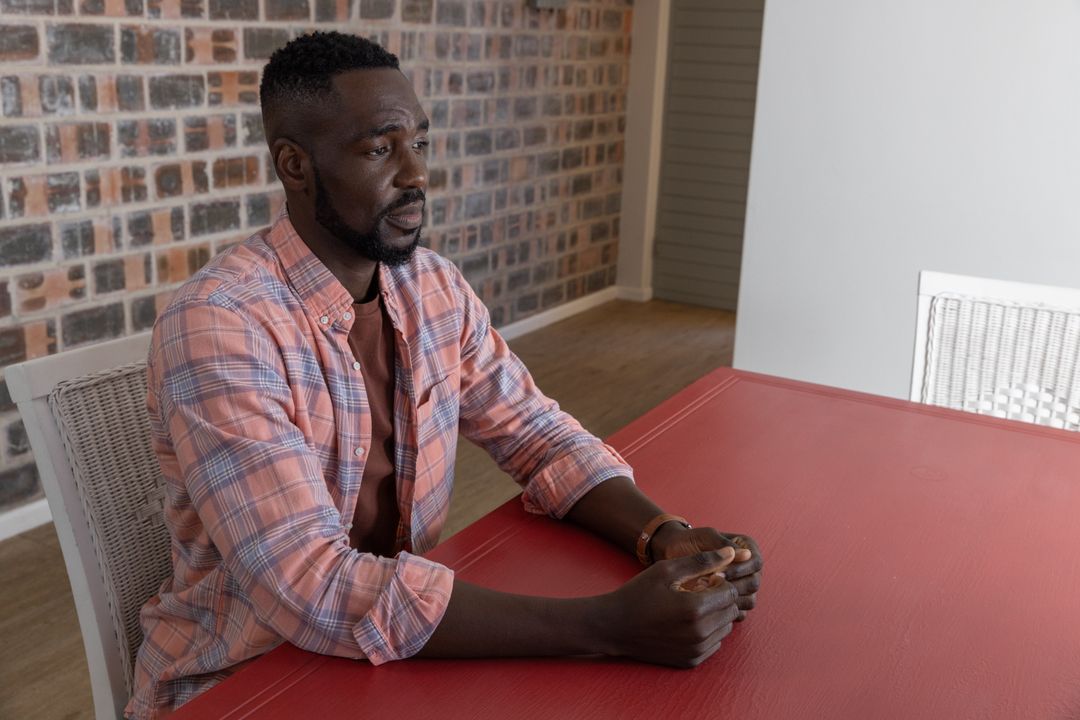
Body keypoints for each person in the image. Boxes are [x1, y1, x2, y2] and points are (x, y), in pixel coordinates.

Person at [127, 31, 763, 719]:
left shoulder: (431, 287)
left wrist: (664, 535)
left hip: (395, 661)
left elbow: (539, 436)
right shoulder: (220, 325)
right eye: (380, 148)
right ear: (295, 165)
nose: (417, 174)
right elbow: (307, 585)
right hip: (247, 679)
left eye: (420, 143)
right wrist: (606, 627)